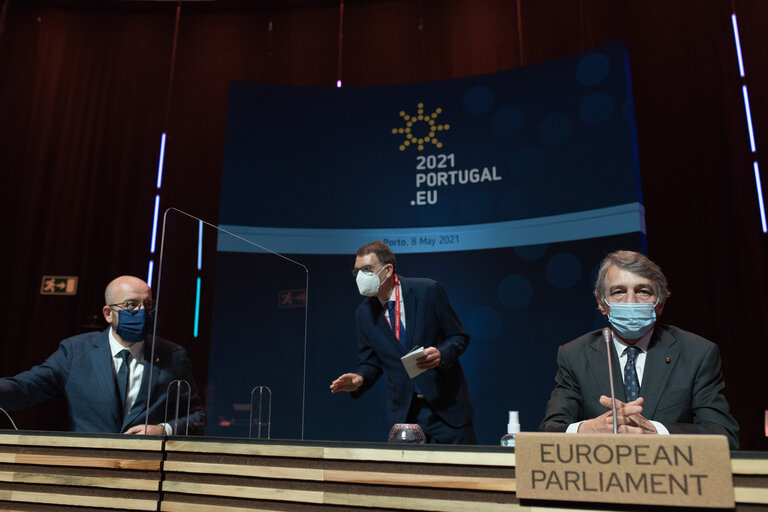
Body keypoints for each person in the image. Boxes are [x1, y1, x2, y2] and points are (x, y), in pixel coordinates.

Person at [539, 250, 739, 449]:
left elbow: (723, 436)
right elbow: (549, 431)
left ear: (659, 303)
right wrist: (587, 430)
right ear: (602, 304)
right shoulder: (574, 355)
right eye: (619, 292)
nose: (631, 301)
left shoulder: (698, 354)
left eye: (643, 291)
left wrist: (657, 431)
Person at [0, 275, 206, 435]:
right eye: (131, 305)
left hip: (146, 472)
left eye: (148, 305)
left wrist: (162, 429)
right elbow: (25, 388)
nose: (142, 312)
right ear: (108, 313)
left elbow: (197, 417)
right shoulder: (75, 351)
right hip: (89, 469)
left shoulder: (173, 355)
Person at [330, 241, 475, 444]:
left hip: (447, 409)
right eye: (357, 272)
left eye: (367, 270)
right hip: (406, 416)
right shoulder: (363, 314)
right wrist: (359, 379)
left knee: (462, 474)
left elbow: (459, 337)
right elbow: (370, 363)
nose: (361, 277)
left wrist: (441, 354)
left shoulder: (428, 290)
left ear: (388, 270)